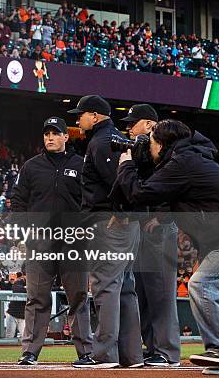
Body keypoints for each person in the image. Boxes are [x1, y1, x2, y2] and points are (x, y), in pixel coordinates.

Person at [115, 119, 219, 375]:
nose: (148, 148)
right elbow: (189, 196)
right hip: (215, 241)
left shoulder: (183, 162)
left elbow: (139, 193)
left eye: (150, 142)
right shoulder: (192, 158)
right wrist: (162, 218)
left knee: (201, 285)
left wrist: (126, 166)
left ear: (162, 143)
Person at [67, 95, 142, 369]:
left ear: (95, 116)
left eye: (81, 114)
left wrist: (121, 215)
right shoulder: (111, 139)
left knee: (107, 287)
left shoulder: (101, 141)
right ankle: (132, 356)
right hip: (123, 224)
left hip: (109, 223)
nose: (78, 119)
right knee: (125, 289)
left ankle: (104, 354)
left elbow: (121, 181)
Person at [11, 117, 92, 365]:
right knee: (36, 297)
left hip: (73, 241)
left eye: (55, 133)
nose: (50, 137)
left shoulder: (82, 165)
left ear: (66, 137)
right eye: (46, 133)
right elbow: (17, 201)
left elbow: (91, 201)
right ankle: (30, 352)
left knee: (78, 296)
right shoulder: (31, 167)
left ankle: (86, 352)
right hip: (40, 241)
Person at [119, 104, 181, 367]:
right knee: (143, 292)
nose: (129, 128)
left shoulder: (171, 153)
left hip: (160, 228)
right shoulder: (144, 153)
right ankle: (153, 347)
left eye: (133, 123)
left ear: (148, 125)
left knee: (162, 292)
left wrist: (163, 217)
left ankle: (168, 352)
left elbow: (175, 190)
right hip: (142, 227)